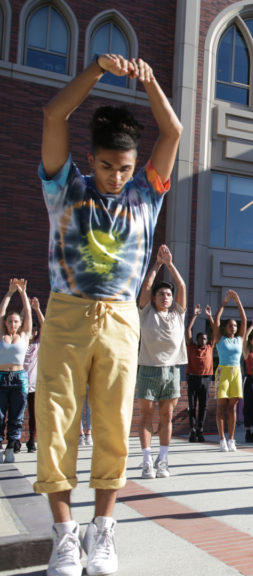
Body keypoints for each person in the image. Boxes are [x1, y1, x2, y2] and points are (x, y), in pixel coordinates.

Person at [35, 51, 182, 576]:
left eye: (123, 168)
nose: (115, 177)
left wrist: (148, 81)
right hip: (67, 314)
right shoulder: (66, 189)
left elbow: (174, 130)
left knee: (115, 426)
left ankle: (103, 533)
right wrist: (96, 70)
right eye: (105, 166)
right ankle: (64, 537)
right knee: (56, 424)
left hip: (121, 319)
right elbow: (54, 116)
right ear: (90, 160)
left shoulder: (146, 195)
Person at [135, 245, 188, 479]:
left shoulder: (178, 312)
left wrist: (170, 264)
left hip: (173, 370)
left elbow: (182, 286)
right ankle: (147, 461)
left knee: (167, 416)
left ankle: (163, 461)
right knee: (146, 416)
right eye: (161, 294)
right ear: (154, 299)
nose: (166, 297)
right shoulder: (146, 312)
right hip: (148, 369)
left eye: (168, 294)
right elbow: (146, 287)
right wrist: (157, 264)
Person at [1, 279, 33, 464]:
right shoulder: (2, 335)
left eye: (16, 322)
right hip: (1, 378)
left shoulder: (24, 335)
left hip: (19, 378)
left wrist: (23, 293)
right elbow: (1, 313)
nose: (13, 324)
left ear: (19, 323)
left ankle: (11, 446)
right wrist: (9, 292)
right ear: (5, 323)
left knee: (16, 415)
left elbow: (28, 313)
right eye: (10, 321)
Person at [213, 290, 247, 452]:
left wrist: (238, 301)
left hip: (236, 372)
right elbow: (216, 320)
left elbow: (244, 320)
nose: (233, 327)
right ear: (225, 328)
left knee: (233, 407)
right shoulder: (220, 339)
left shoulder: (240, 339)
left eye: (235, 325)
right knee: (221, 407)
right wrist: (225, 303)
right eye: (230, 325)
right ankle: (221, 440)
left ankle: (232, 439)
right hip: (223, 372)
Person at [186, 306, 215, 442]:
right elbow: (188, 330)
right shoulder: (191, 347)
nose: (203, 340)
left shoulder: (209, 347)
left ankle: (200, 430)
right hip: (192, 378)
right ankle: (192, 431)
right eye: (201, 339)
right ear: (197, 339)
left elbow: (215, 330)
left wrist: (210, 316)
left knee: (203, 406)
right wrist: (195, 315)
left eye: (204, 338)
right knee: (192, 406)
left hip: (206, 379)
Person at [23, 297, 45, 454]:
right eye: (30, 330)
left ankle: (31, 441)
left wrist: (37, 309)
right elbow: (21, 321)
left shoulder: (38, 344)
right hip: (18, 383)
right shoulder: (20, 341)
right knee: (14, 414)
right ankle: (14, 440)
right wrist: (25, 309)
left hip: (34, 384)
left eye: (34, 331)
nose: (33, 332)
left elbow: (44, 326)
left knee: (34, 414)